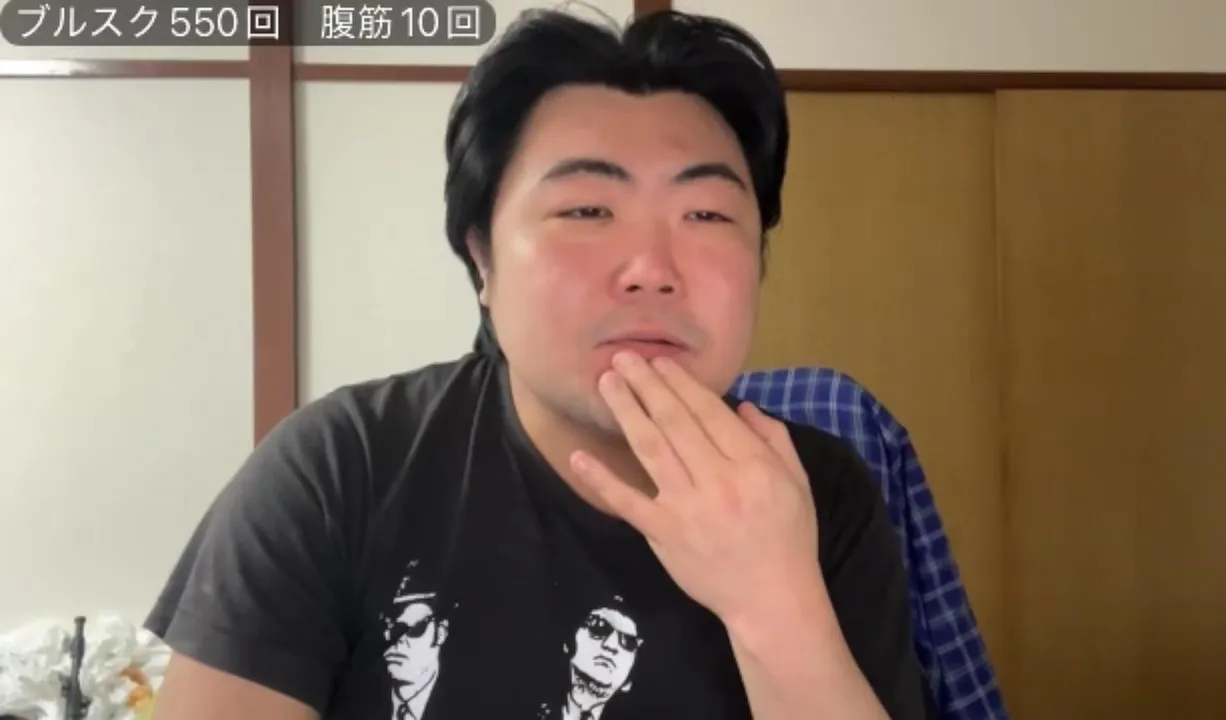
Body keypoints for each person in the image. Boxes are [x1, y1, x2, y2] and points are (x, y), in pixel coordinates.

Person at [144, 7, 932, 720]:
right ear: (482, 259)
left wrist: (774, 605)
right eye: (587, 210)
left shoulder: (819, 490)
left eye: (706, 213)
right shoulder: (341, 468)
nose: (651, 269)